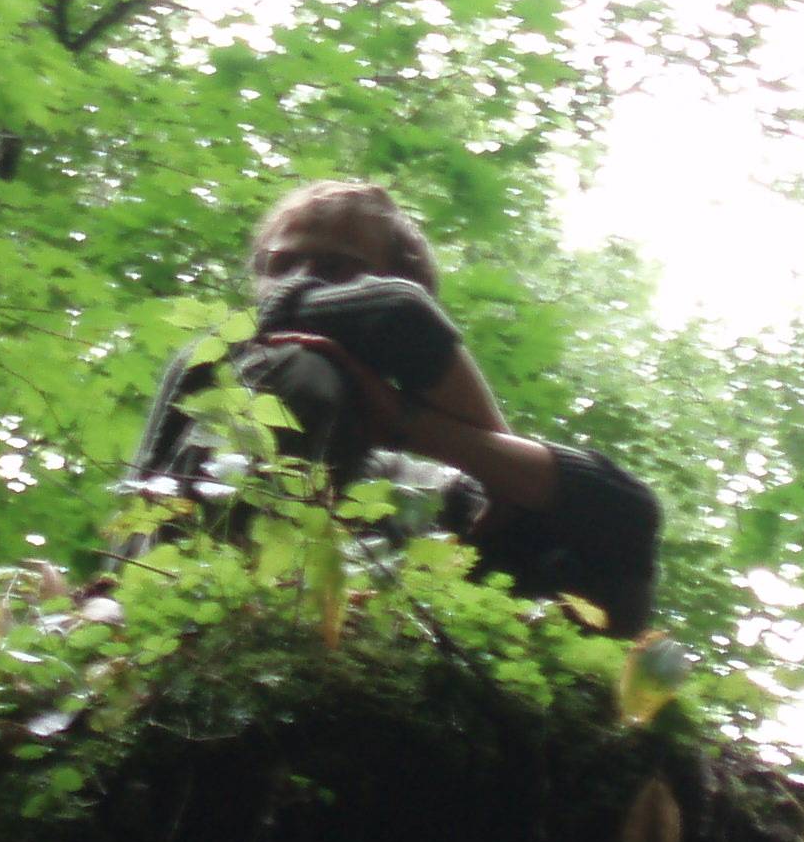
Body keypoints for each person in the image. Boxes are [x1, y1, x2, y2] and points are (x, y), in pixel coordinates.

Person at [127, 182, 661, 635]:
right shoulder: (211, 377)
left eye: (336, 268)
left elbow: (625, 513)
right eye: (280, 265)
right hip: (182, 626)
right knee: (299, 369)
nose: (300, 283)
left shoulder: (428, 493)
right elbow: (390, 313)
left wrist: (411, 427)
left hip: (380, 684)